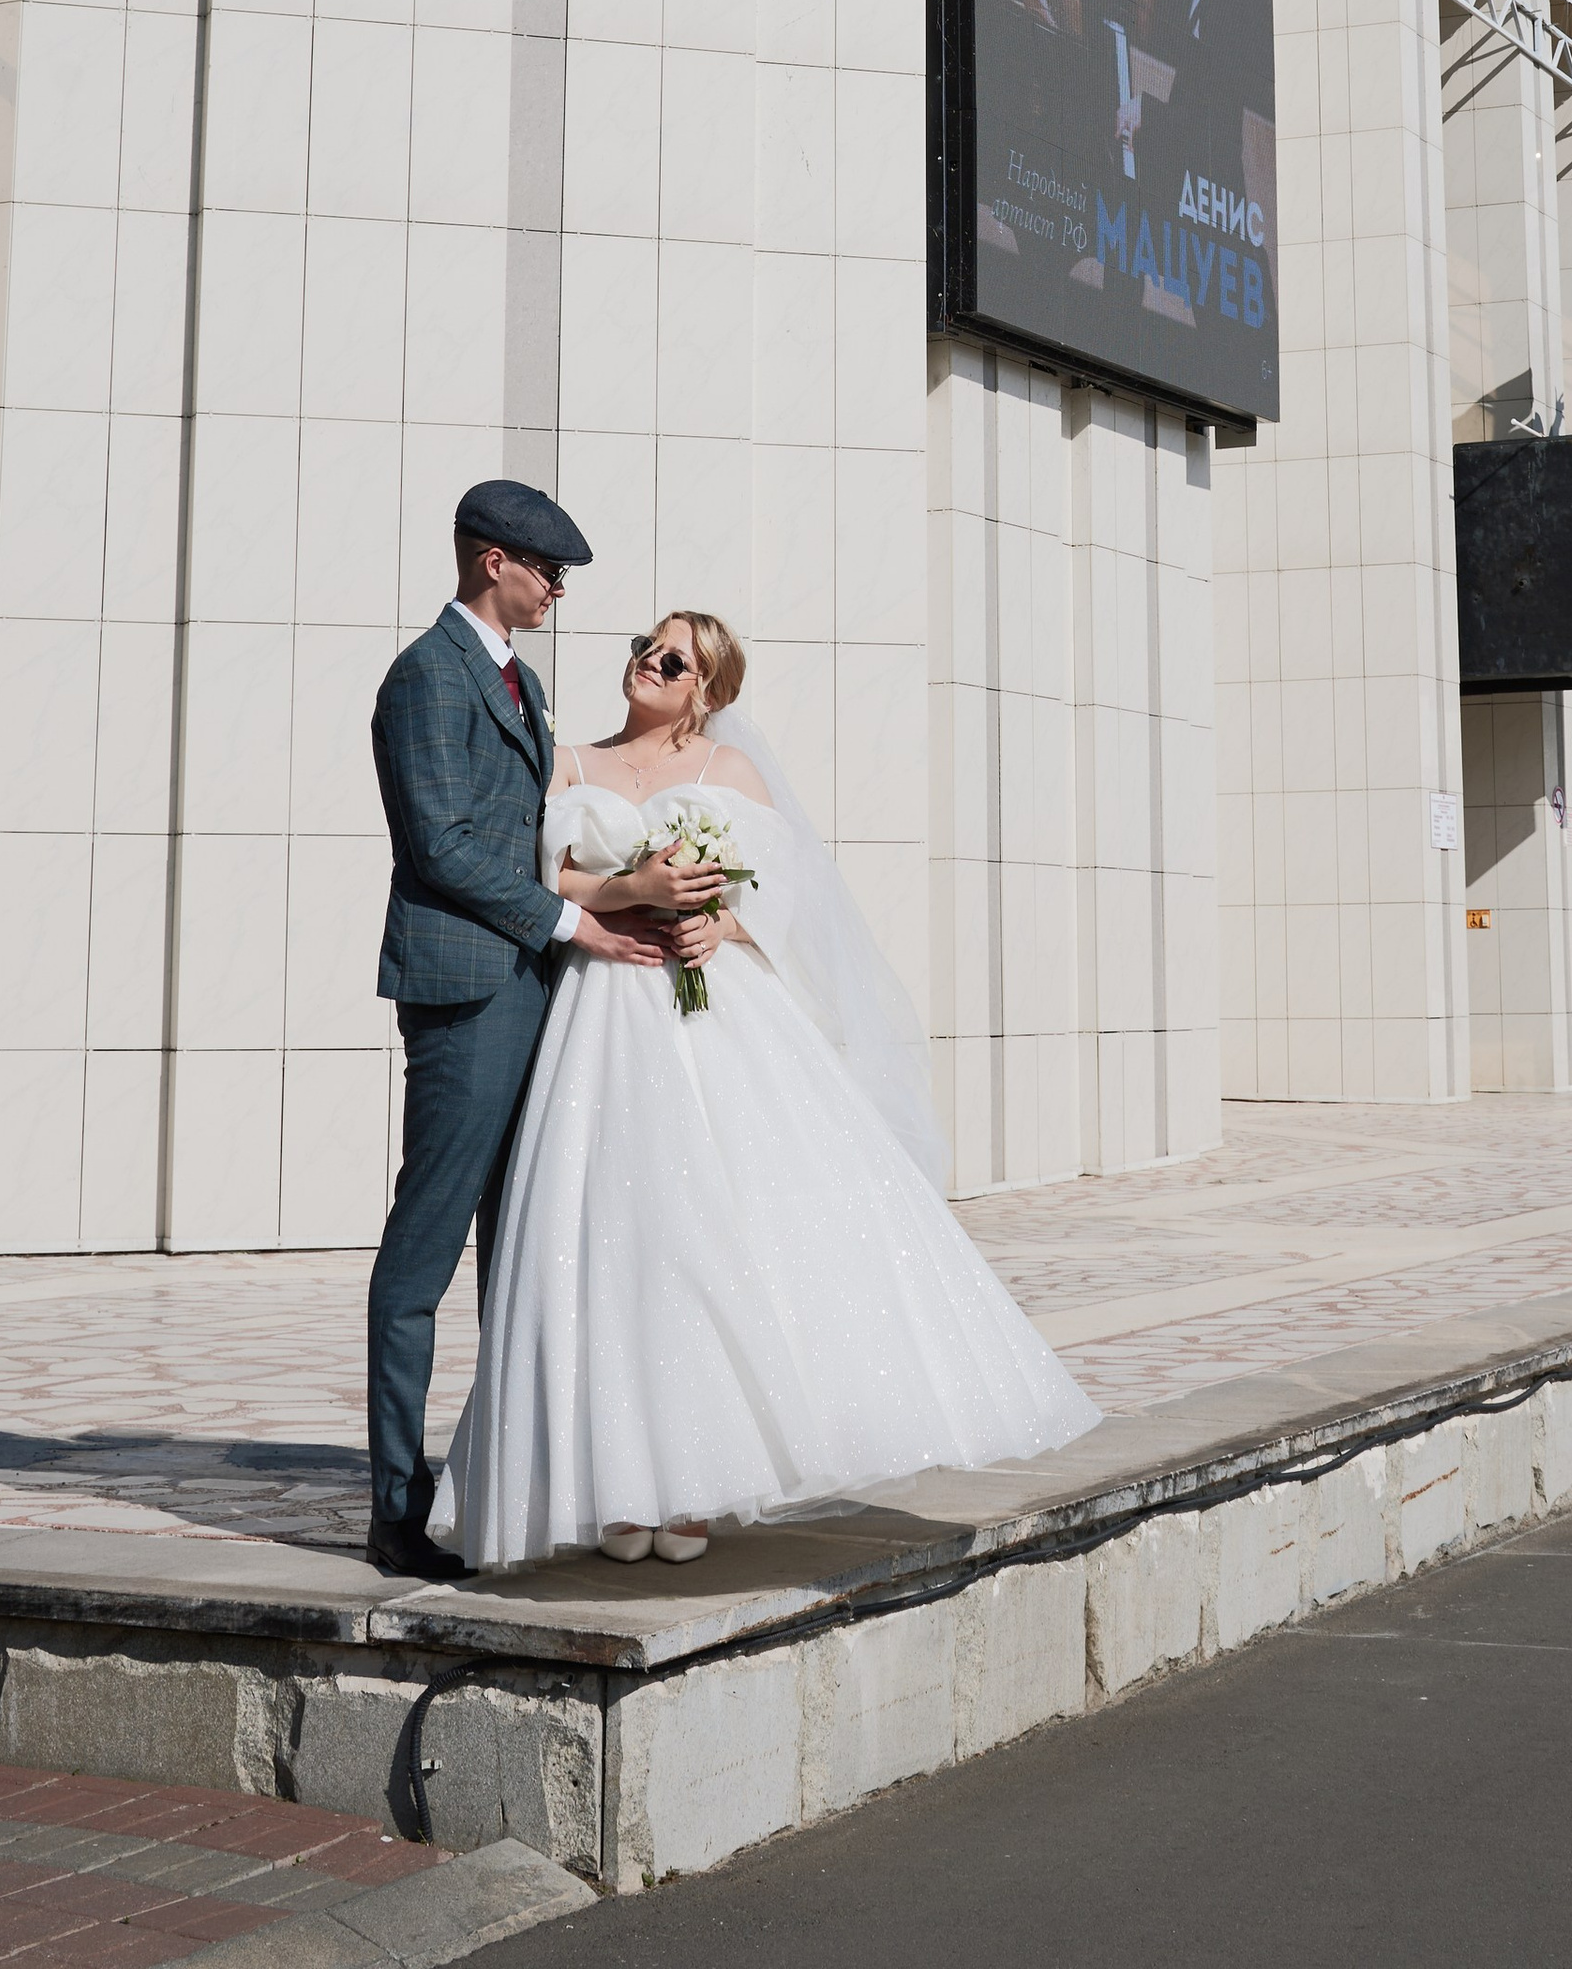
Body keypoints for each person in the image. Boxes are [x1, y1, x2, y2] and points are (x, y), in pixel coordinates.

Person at [431, 608, 1099, 1572]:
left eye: (671, 660)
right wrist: (639, 891)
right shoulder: (568, 758)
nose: (645, 667)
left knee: (709, 1229)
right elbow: (552, 880)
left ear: (705, 689)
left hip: (707, 1021)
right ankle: (615, 1483)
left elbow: (786, 900)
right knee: (609, 1236)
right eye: (641, 648)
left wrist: (721, 932)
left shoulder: (729, 778)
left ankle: (695, 1477)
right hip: (603, 1007)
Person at [362, 483, 722, 1579]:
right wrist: (579, 916)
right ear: (491, 563)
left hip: (538, 991)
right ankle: (394, 1508)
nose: (558, 590)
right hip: (469, 994)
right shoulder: (427, 677)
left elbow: (528, 836)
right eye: (545, 571)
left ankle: (513, 1481)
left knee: (526, 1253)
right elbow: (443, 849)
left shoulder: (521, 680)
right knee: (425, 1250)